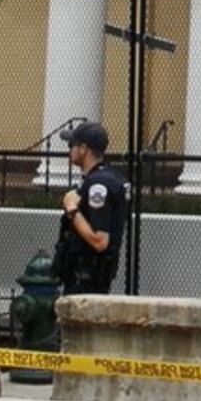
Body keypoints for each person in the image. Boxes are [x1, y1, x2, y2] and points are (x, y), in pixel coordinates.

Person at [53, 121, 128, 297]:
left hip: (86, 278)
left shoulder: (99, 185)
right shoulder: (104, 178)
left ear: (83, 149)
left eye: (72, 145)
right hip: (84, 276)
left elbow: (100, 241)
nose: (69, 150)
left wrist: (72, 210)